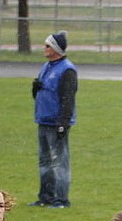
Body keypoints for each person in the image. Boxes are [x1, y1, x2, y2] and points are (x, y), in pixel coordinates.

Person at [30, 30, 76, 208]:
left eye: (48, 45)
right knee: (45, 161)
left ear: (56, 49)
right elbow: (40, 94)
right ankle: (45, 197)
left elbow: (68, 99)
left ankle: (61, 199)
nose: (44, 48)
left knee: (59, 162)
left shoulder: (67, 70)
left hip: (56, 123)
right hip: (43, 120)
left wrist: (63, 124)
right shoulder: (47, 66)